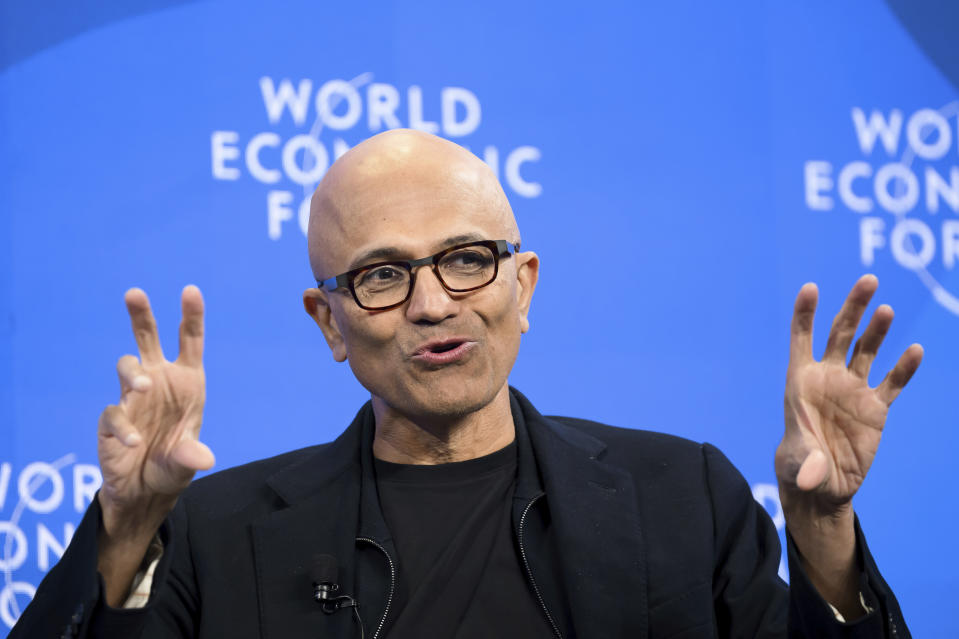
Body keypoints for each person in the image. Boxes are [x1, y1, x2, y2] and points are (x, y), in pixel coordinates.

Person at [11, 130, 921, 639]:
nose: (433, 303)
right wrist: (129, 527)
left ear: (522, 286)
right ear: (328, 322)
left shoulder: (683, 494)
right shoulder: (218, 531)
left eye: (466, 260)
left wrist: (823, 533)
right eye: (381, 275)